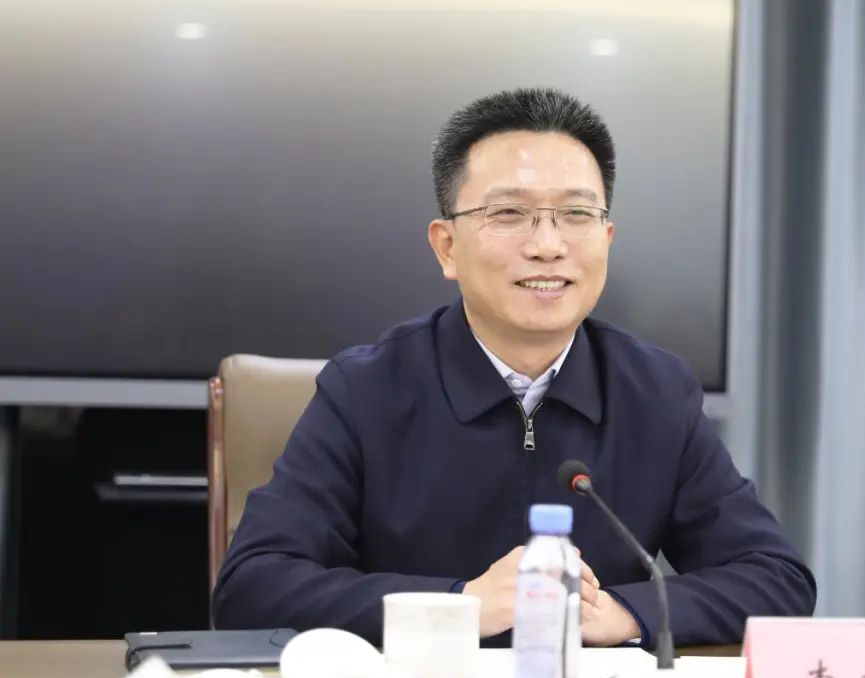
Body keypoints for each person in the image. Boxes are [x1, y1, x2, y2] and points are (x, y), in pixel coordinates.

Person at [213, 88, 815, 647]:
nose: (548, 245)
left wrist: (627, 613)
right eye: (508, 214)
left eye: (575, 214)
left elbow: (776, 578)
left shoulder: (655, 392)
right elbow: (253, 586)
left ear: (606, 239)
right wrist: (460, 605)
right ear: (447, 246)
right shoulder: (366, 390)